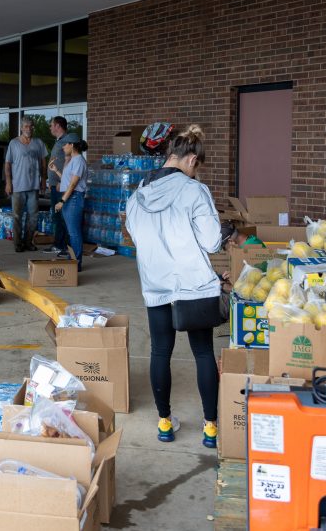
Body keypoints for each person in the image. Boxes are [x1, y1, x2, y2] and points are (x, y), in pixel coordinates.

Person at [125, 125, 221, 449]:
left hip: (156, 284)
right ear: (191, 160)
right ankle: (210, 428)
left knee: (159, 351)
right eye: (199, 167)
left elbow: (135, 233)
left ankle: (164, 423)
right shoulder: (195, 191)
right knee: (204, 352)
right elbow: (212, 242)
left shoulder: (138, 192)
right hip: (193, 284)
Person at [4, 116, 48, 252]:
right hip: (17, 186)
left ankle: (28, 242)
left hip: (33, 186)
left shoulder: (38, 143)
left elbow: (43, 163)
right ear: (22, 128)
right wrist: (8, 183)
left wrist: (43, 180)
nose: (29, 129)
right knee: (17, 216)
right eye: (26, 126)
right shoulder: (14, 143)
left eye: (31, 126)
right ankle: (18, 244)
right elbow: (8, 164)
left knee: (33, 216)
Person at [50, 134, 88, 271]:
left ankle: (76, 263)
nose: (63, 147)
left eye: (65, 145)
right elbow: (67, 181)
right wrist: (57, 171)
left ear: (72, 145)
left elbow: (73, 184)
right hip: (69, 198)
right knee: (71, 232)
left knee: (74, 233)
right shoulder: (73, 161)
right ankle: (72, 259)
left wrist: (61, 201)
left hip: (73, 198)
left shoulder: (78, 161)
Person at [44, 116, 69, 254]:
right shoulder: (59, 141)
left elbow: (68, 162)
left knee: (60, 216)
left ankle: (62, 245)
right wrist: (51, 182)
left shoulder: (66, 142)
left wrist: (61, 181)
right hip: (55, 185)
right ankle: (58, 244)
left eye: (51, 125)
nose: (50, 128)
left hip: (60, 185)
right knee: (56, 215)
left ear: (58, 126)